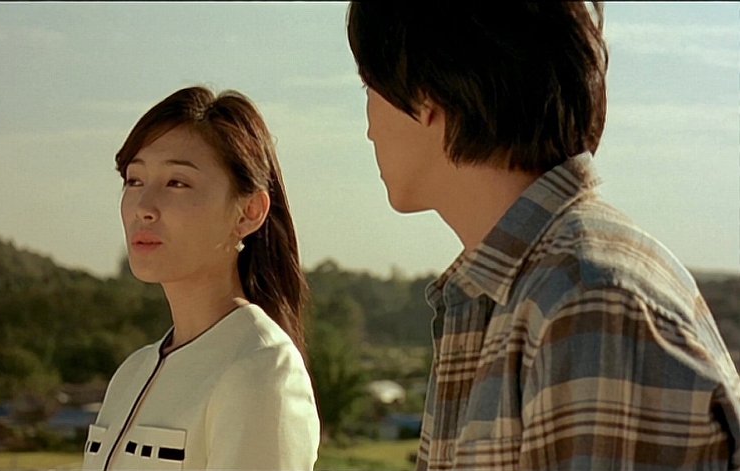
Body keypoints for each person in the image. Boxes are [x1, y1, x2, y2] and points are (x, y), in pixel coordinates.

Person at [346, 2, 740, 470]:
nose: (368, 129)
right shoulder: (510, 294)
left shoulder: (589, 305)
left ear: (425, 96)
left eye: (369, 86)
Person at [82, 86, 320, 470]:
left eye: (177, 182)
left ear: (249, 212)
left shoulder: (261, 367)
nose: (144, 207)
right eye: (134, 180)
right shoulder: (131, 373)